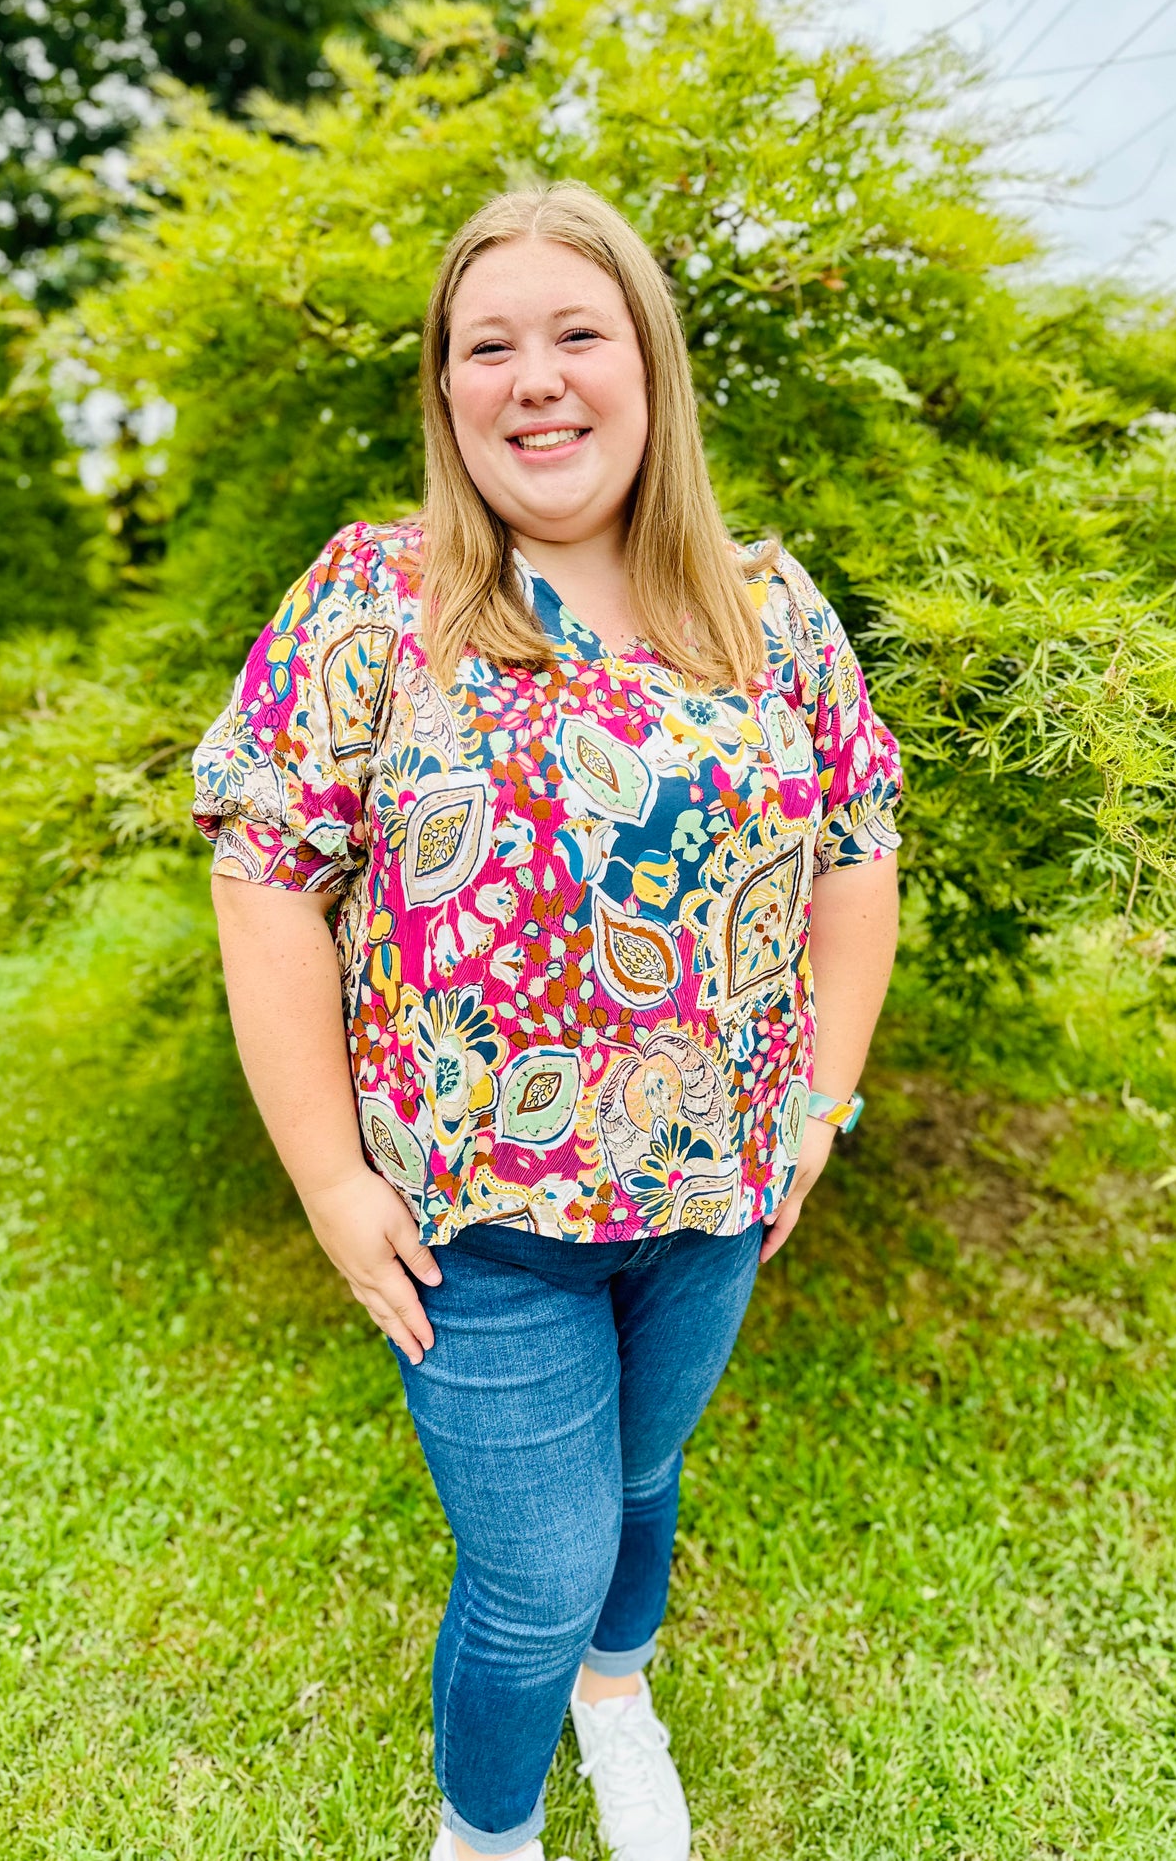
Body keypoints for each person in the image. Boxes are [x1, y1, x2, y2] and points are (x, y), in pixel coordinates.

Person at [191, 179, 902, 1861]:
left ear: (646, 366)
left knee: (643, 1489)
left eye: (578, 333)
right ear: (446, 393)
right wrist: (325, 1179)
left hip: (714, 1200)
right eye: (487, 345)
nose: (537, 378)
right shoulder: (376, 599)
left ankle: (621, 1695)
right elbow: (264, 871)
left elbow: (857, 853)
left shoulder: (768, 610)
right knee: (528, 1571)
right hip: (477, 1230)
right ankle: (489, 1833)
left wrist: (819, 1112)